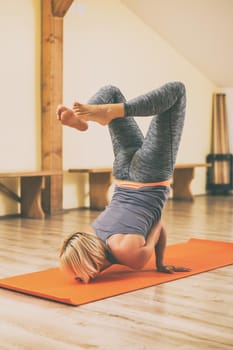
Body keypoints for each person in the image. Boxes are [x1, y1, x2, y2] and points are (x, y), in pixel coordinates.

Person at [57, 82, 191, 283]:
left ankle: (105, 112)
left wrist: (160, 264)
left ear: (92, 269)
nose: (80, 279)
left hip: (150, 176)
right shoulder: (90, 233)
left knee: (177, 91)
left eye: (79, 276)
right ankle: (81, 119)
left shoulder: (130, 255)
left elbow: (158, 223)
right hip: (121, 174)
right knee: (111, 92)